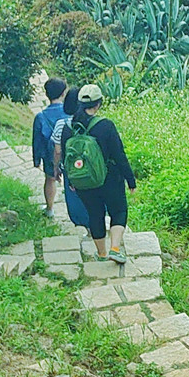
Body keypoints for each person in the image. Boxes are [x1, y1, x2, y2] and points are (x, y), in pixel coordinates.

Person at [61, 83, 136, 263]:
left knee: (95, 214)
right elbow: (119, 155)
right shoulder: (105, 126)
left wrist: (71, 180)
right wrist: (130, 180)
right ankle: (115, 249)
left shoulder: (68, 127)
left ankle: (101, 254)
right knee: (118, 211)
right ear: (99, 103)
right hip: (110, 179)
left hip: (83, 181)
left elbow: (66, 158)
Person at [51, 86, 90, 230]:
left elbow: (57, 151)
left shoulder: (61, 124)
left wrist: (56, 168)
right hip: (91, 166)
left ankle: (83, 225)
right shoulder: (94, 122)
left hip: (71, 168)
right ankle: (95, 226)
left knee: (75, 198)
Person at [30, 76, 68, 217]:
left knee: (50, 179)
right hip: (69, 151)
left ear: (46, 94)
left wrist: (36, 160)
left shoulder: (41, 116)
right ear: (63, 93)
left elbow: (37, 140)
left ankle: (50, 209)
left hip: (49, 153)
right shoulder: (69, 112)